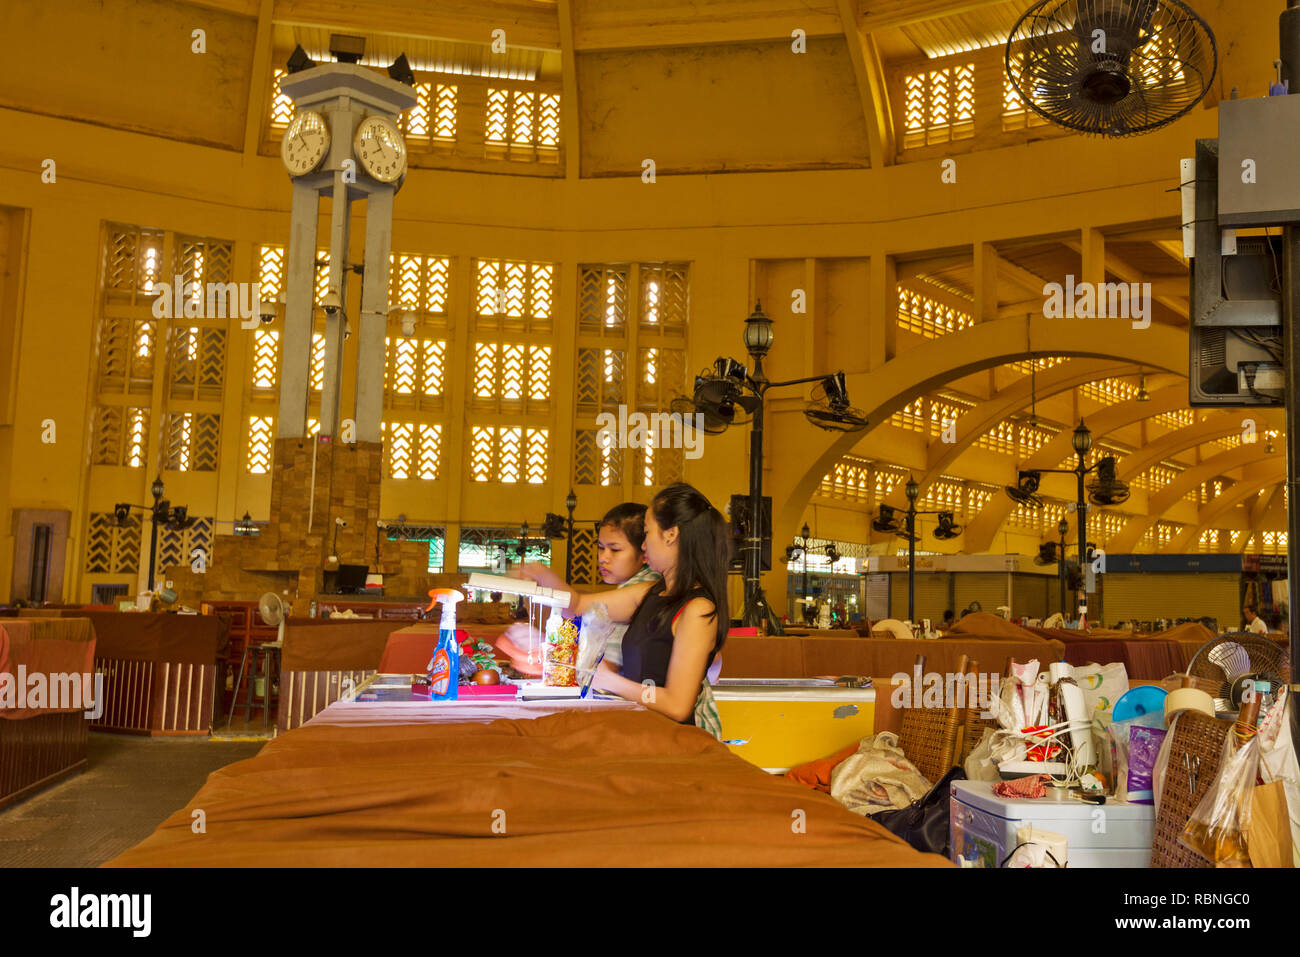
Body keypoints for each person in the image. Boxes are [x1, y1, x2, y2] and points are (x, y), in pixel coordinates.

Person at [548, 483, 728, 736]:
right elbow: (578, 605)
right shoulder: (648, 592)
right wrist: (539, 578)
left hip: (678, 739)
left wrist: (611, 681)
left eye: (647, 532)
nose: (643, 545)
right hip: (642, 728)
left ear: (670, 535)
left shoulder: (697, 610)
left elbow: (677, 704)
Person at [502, 503, 659, 671]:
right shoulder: (636, 584)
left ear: (645, 551)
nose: (603, 558)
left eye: (615, 549)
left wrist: (549, 659)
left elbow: (578, 607)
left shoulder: (646, 585)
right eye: (600, 548)